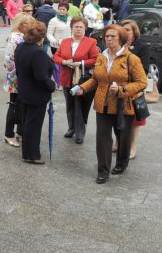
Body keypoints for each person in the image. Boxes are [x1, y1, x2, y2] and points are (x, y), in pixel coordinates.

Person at [76, 25, 147, 184]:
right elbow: (95, 79)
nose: (108, 39)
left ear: (121, 39)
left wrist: (122, 89)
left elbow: (142, 82)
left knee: (123, 137)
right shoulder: (101, 57)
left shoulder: (131, 59)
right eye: (106, 36)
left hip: (124, 105)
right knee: (102, 138)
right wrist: (83, 88)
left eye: (112, 36)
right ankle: (103, 171)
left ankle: (122, 163)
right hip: (103, 103)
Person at [15, 21, 56, 164]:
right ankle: (32, 155)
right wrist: (52, 84)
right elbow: (41, 77)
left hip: (25, 91)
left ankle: (27, 152)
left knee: (27, 123)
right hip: (36, 94)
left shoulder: (21, 47)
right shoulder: (37, 52)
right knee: (33, 125)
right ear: (41, 37)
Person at [54, 17, 99, 143]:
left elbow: (96, 59)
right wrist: (64, 61)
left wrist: (81, 63)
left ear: (85, 29)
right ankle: (71, 128)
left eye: (81, 27)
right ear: (72, 28)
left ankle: (80, 133)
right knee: (69, 105)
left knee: (80, 106)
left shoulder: (91, 42)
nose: (78, 29)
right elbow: (56, 56)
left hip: (82, 79)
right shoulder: (65, 42)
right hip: (67, 78)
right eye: (76, 27)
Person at [119, 19, 149, 159]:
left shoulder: (141, 46)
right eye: (123, 29)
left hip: (134, 87)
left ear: (134, 32)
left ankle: (132, 146)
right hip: (118, 87)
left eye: (128, 30)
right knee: (117, 116)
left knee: (135, 121)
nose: (125, 32)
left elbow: (145, 69)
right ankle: (119, 143)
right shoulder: (118, 45)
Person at [3, 13, 35, 147]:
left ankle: (20, 131)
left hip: (22, 77)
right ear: (21, 24)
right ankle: (9, 134)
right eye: (28, 23)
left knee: (21, 105)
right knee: (14, 105)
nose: (31, 26)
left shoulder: (22, 37)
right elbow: (9, 59)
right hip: (16, 77)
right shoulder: (16, 38)